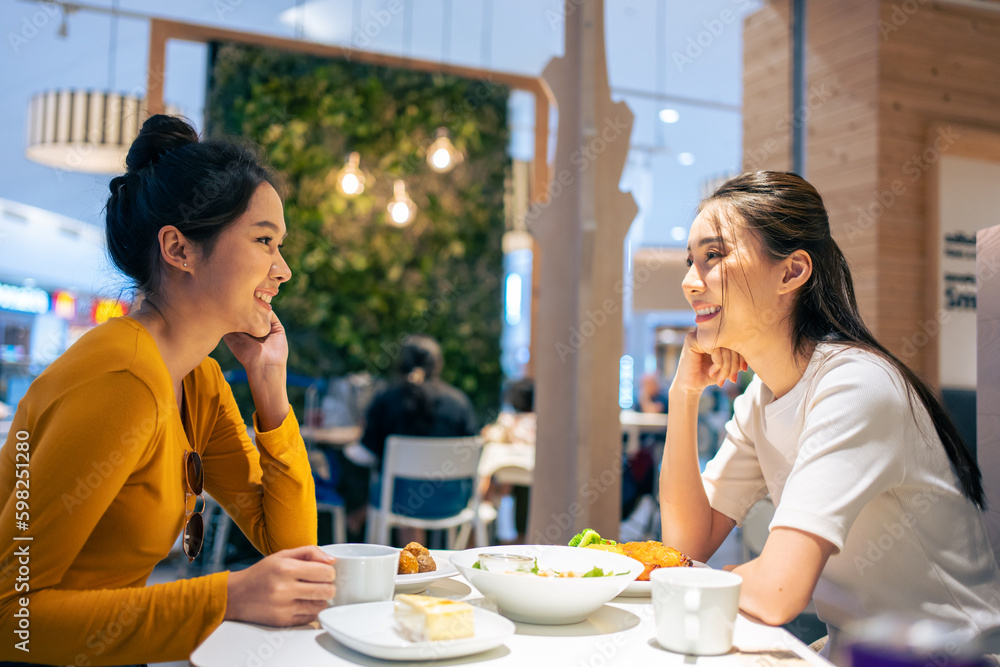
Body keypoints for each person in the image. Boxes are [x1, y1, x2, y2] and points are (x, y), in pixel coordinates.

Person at [0, 115, 336, 666]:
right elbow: (11, 620)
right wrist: (223, 597)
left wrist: (270, 387)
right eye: (264, 241)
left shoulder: (196, 379)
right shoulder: (121, 381)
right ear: (179, 249)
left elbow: (289, 547)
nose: (285, 269)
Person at [660, 171, 1000, 661]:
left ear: (792, 272)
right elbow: (686, 542)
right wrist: (683, 396)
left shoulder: (855, 385)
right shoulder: (760, 400)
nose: (692, 283)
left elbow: (778, 592)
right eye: (690, 262)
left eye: (713, 256)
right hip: (852, 653)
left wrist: (689, 585)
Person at [345, 335, 477, 544]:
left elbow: (366, 452)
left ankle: (409, 559)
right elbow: (472, 449)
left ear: (401, 364)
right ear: (438, 364)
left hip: (399, 501)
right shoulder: (459, 402)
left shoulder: (387, 400)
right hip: (452, 500)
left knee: (396, 487)